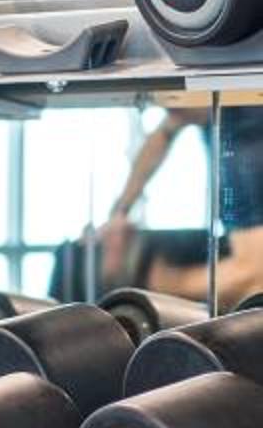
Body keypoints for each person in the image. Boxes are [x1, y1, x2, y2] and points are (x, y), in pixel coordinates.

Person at [94, 102, 263, 307]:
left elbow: (254, 275)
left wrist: (166, 284)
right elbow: (164, 133)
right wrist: (119, 212)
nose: (167, 107)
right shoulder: (222, 115)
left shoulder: (243, 143)